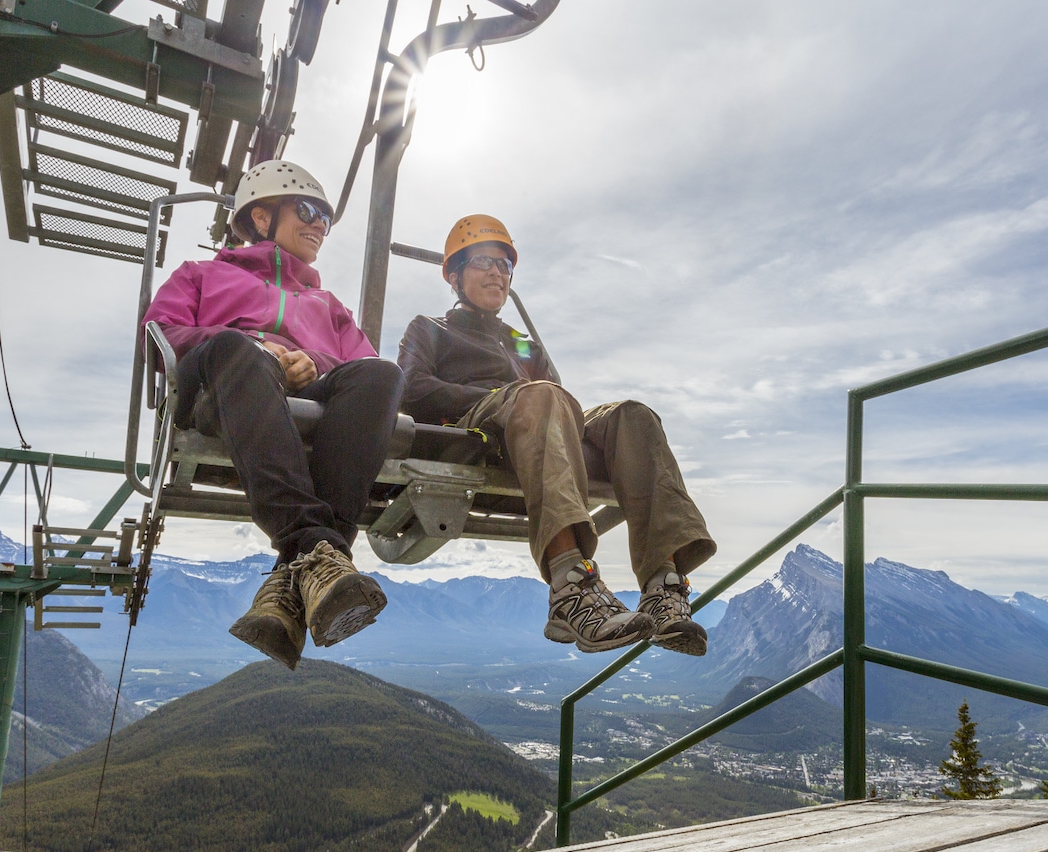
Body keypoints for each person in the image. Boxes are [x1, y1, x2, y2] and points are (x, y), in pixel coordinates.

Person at [397, 215, 716, 656]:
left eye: (504, 266)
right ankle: (570, 586)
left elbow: (557, 402)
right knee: (542, 395)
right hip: (480, 426)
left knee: (633, 417)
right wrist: (504, 395)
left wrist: (538, 402)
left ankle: (664, 586)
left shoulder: (522, 344)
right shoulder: (431, 329)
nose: (497, 273)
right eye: (483, 262)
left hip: (538, 420)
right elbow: (411, 389)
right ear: (454, 275)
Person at [142, 160, 404, 669]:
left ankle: (296, 575)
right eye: (307, 211)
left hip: (306, 405)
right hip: (227, 386)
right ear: (261, 219)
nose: (319, 227)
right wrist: (257, 347)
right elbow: (162, 333)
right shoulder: (201, 276)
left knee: (382, 377)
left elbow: (362, 364)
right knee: (240, 349)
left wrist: (315, 361)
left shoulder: (327, 304)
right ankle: (321, 553)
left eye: (326, 219)